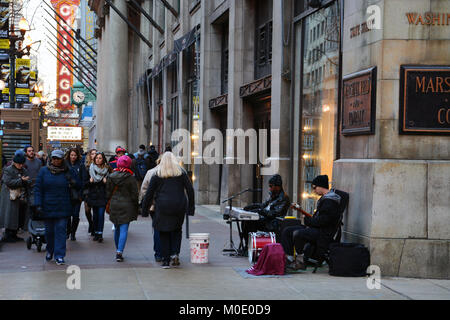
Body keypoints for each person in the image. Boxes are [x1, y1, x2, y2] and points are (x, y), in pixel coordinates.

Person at [142, 152, 195, 269]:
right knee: (177, 230)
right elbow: (190, 190)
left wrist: (145, 210)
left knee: (163, 232)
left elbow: (149, 194)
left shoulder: (157, 175)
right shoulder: (181, 174)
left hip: (162, 206)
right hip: (179, 206)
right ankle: (175, 253)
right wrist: (191, 208)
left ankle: (165, 260)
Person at [280, 175, 341, 270]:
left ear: (321, 186)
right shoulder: (325, 199)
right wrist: (310, 221)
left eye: (314, 187)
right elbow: (319, 219)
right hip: (316, 228)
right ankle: (289, 258)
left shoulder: (330, 202)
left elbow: (323, 221)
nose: (314, 190)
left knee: (298, 233)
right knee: (287, 230)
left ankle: (301, 261)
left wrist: (308, 221)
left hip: (323, 232)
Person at [34, 150, 79, 265]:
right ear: (50, 158)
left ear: (62, 159)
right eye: (54, 158)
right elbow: (38, 189)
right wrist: (38, 204)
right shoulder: (44, 171)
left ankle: (59, 255)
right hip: (47, 206)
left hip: (63, 206)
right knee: (49, 232)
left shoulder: (67, 171)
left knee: (61, 232)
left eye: (58, 158)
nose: (56, 160)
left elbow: (78, 184)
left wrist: (73, 181)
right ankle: (50, 250)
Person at [241, 174, 290, 251]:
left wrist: (260, 211)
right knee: (245, 220)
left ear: (277, 187)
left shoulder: (284, 198)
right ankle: (247, 245)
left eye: (271, 186)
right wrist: (251, 207)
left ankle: (249, 246)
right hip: (265, 219)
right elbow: (263, 205)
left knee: (249, 222)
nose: (269, 189)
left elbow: (274, 214)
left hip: (272, 223)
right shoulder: (273, 195)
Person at [106, 155, 139, 262]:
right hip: (127, 205)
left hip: (115, 204)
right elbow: (135, 194)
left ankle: (117, 249)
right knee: (124, 229)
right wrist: (136, 206)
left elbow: (108, 192)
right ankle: (119, 251)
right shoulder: (131, 178)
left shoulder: (111, 176)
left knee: (116, 227)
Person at [0, 152, 31, 243]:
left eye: (22, 164)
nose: (20, 165)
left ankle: (14, 234)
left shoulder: (24, 170)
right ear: (14, 163)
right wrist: (21, 180)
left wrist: (27, 182)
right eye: (19, 164)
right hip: (9, 196)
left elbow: (26, 181)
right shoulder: (8, 170)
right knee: (10, 216)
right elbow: (8, 182)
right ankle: (8, 234)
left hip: (19, 197)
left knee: (18, 216)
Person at [139, 155, 162, 261]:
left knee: (157, 228)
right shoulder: (175, 172)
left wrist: (142, 202)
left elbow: (144, 189)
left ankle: (158, 252)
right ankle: (171, 252)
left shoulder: (151, 172)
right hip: (171, 205)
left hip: (154, 205)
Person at [86, 152, 111, 242]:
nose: (98, 159)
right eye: (96, 158)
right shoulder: (90, 169)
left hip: (102, 196)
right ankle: (96, 232)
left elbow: (111, 184)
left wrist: (106, 182)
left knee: (101, 215)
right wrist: (90, 182)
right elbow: (85, 184)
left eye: (100, 158)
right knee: (95, 215)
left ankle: (100, 233)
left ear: (103, 159)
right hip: (93, 195)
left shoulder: (107, 170)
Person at [65, 148, 84, 241]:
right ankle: (68, 231)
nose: (73, 157)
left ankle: (73, 233)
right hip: (67, 194)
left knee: (76, 215)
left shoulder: (81, 165)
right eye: (71, 155)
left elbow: (83, 180)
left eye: (75, 155)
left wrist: (81, 194)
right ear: (69, 155)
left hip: (77, 194)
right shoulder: (65, 165)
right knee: (67, 215)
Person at [23, 146, 42, 231]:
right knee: (25, 208)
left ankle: (34, 225)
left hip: (36, 187)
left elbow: (41, 173)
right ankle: (25, 226)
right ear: (26, 152)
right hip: (25, 187)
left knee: (34, 206)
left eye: (32, 151)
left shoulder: (38, 162)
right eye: (29, 151)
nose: (31, 152)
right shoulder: (23, 162)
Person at [82, 148, 97, 236]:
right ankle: (91, 224)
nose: (94, 155)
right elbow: (84, 179)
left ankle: (94, 227)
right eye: (92, 154)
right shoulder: (86, 166)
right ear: (89, 155)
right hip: (87, 190)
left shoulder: (100, 165)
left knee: (95, 210)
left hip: (96, 190)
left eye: (95, 153)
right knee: (87, 211)